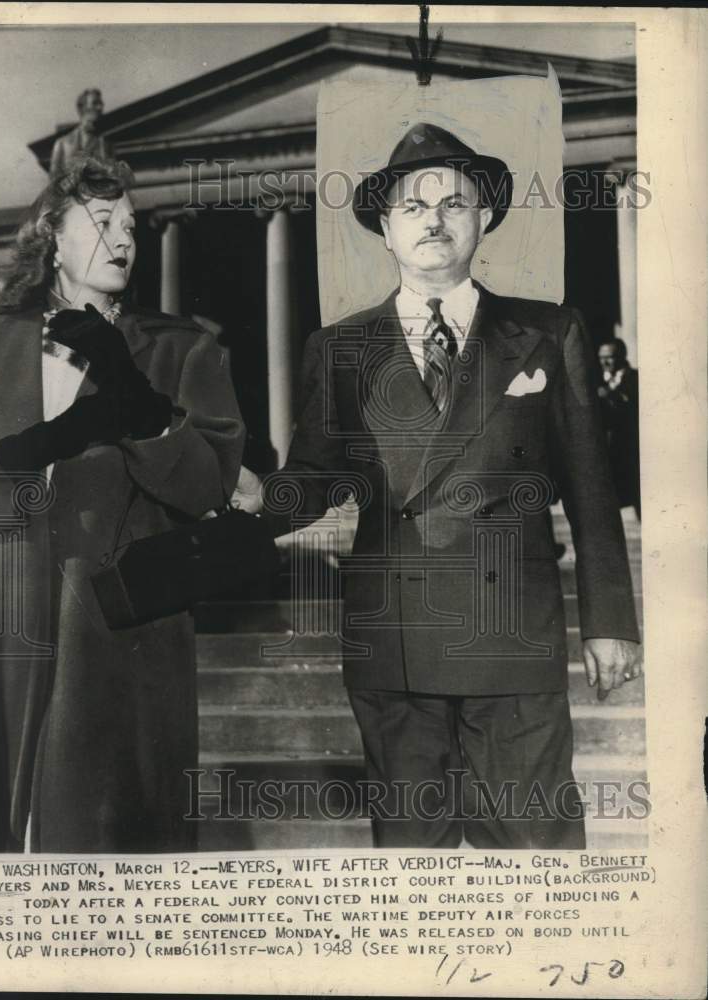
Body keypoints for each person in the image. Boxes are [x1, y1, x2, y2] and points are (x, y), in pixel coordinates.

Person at [255, 122, 642, 849]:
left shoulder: (548, 332)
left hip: (512, 634)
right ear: (385, 229)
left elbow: (591, 489)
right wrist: (251, 496)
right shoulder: (337, 348)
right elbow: (312, 478)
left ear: (483, 218)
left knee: (537, 860)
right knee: (413, 868)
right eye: (412, 207)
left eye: (453, 203)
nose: (433, 220)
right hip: (394, 637)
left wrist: (611, 620)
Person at [0, 155, 244, 852]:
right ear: (52, 234)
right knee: (2, 858)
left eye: (130, 225)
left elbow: (209, 489)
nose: (124, 237)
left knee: (116, 861)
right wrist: (46, 442)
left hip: (129, 642)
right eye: (102, 221)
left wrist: (140, 407)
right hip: (12, 634)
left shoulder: (182, 349)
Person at [597, 338, 641, 519]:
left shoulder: (637, 379)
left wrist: (611, 396)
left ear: (622, 356)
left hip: (632, 455)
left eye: (610, 357)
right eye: (601, 357)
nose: (605, 362)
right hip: (608, 455)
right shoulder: (596, 382)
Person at [49, 89, 113, 177]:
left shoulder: (106, 144)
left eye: (101, 104)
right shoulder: (62, 144)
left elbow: (113, 180)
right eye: (95, 103)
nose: (100, 108)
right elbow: (53, 181)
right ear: (82, 108)